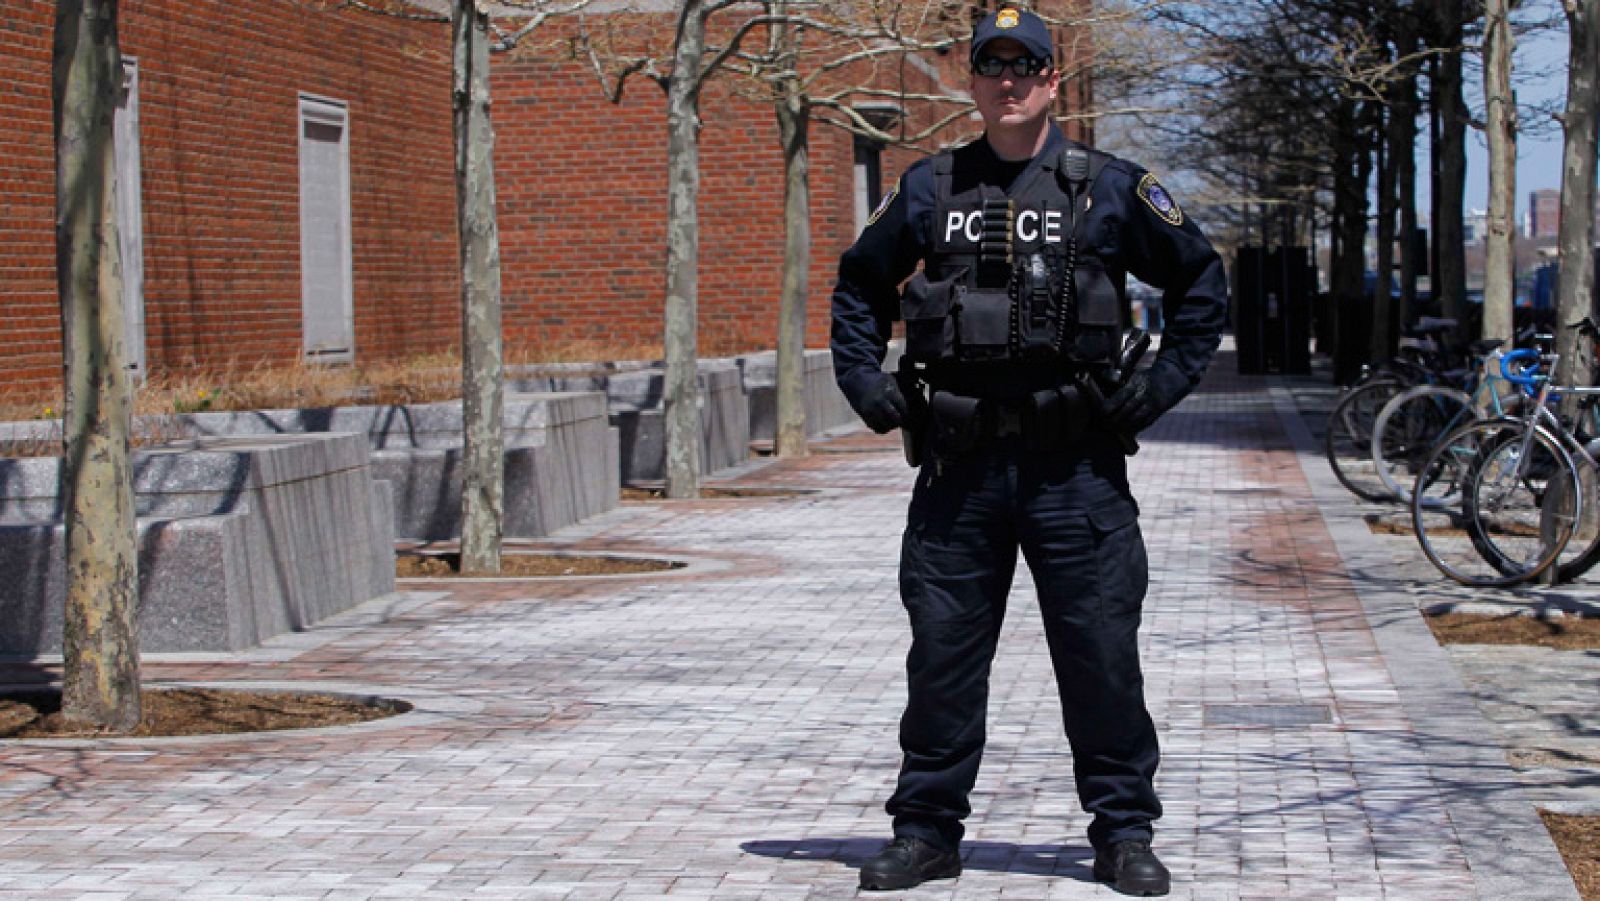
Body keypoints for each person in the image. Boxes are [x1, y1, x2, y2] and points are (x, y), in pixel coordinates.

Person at [829, 6, 1227, 896]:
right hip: (958, 470)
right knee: (941, 657)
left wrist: (1157, 388)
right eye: (991, 66)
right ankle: (927, 831)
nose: (1009, 82)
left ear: (1052, 79)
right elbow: (858, 287)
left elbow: (1202, 281)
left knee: (1100, 657)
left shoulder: (1112, 187)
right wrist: (868, 387)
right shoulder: (929, 189)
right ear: (971, 81)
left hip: (1074, 469)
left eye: (1027, 67)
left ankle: (1123, 832)